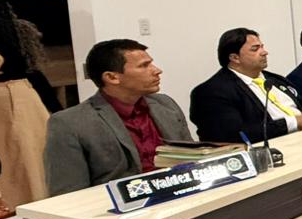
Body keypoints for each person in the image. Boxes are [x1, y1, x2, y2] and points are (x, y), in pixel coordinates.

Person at [43, 39, 193, 195]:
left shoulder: (165, 105)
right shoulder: (70, 123)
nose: (157, 70)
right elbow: (68, 193)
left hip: (181, 196)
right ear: (112, 77)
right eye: (144, 66)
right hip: (119, 205)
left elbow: (193, 159)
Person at [0, 0, 49, 209]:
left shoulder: (18, 30)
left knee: (31, 159)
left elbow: (31, 70)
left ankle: (38, 212)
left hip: (22, 98)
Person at [189, 28, 302, 143]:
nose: (264, 52)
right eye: (255, 49)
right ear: (235, 58)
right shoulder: (211, 92)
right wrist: (292, 123)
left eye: (262, 47)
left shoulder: (276, 80)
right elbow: (233, 135)